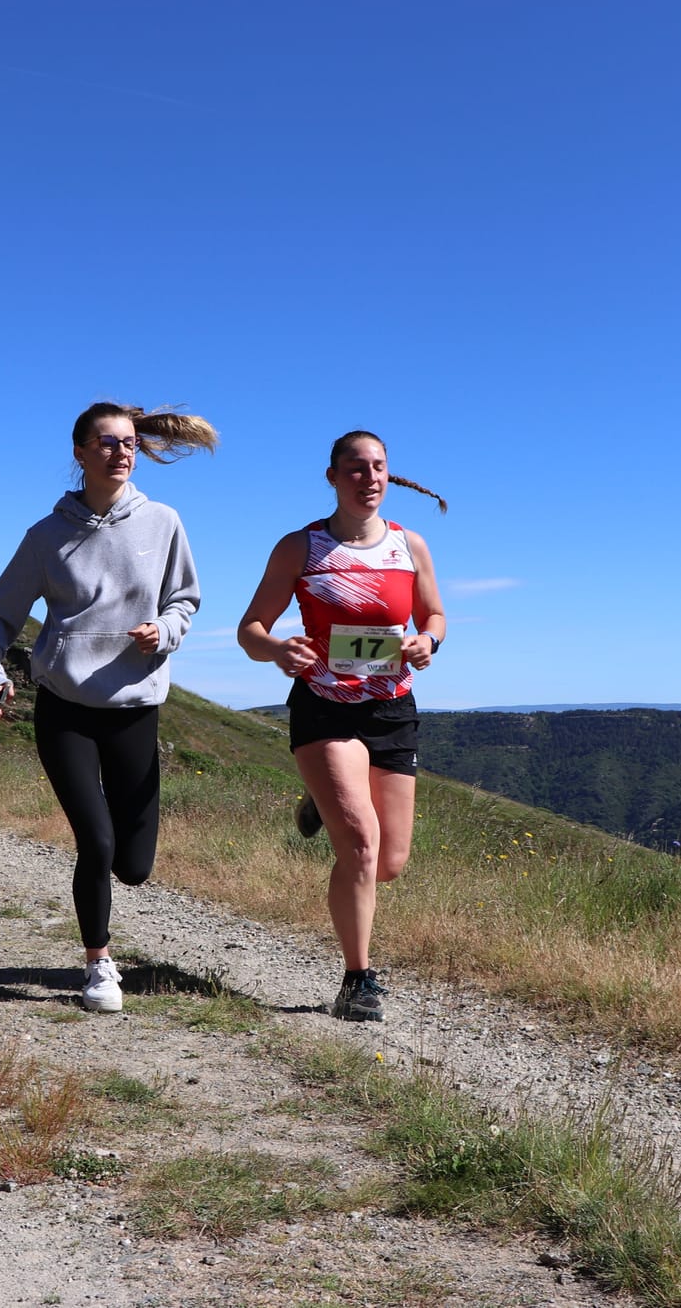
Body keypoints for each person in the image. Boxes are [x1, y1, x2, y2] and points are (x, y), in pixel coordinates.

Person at [0, 402, 217, 1013]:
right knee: (97, 843)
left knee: (134, 865)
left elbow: (185, 600)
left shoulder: (162, 522)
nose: (121, 452)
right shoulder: (46, 537)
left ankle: (107, 926)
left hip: (135, 708)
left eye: (128, 443)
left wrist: (164, 630)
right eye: (106, 443)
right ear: (79, 453)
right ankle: (99, 964)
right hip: (66, 708)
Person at [237, 431, 446, 1022]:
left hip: (390, 708)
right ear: (332, 477)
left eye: (378, 467)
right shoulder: (301, 547)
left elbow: (434, 614)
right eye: (355, 469)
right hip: (324, 706)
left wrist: (427, 640)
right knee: (358, 844)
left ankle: (320, 796)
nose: (369, 478)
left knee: (390, 862)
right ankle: (357, 980)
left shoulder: (410, 545)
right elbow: (250, 628)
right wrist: (278, 650)